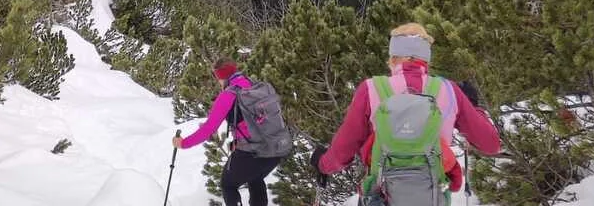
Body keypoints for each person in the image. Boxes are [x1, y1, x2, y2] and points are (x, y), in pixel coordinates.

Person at [311, 23, 501, 204]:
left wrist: (322, 163)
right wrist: (474, 106)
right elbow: (491, 144)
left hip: (381, 197)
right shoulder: (449, 90)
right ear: (425, 58)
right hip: (432, 197)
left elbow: (343, 150)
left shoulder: (371, 89)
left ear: (393, 57)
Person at [172, 58, 284, 206]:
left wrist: (183, 143)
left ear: (221, 77)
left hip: (253, 152)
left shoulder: (229, 94)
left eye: (217, 78)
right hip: (277, 148)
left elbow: (208, 129)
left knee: (228, 185)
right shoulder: (255, 86)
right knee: (255, 177)